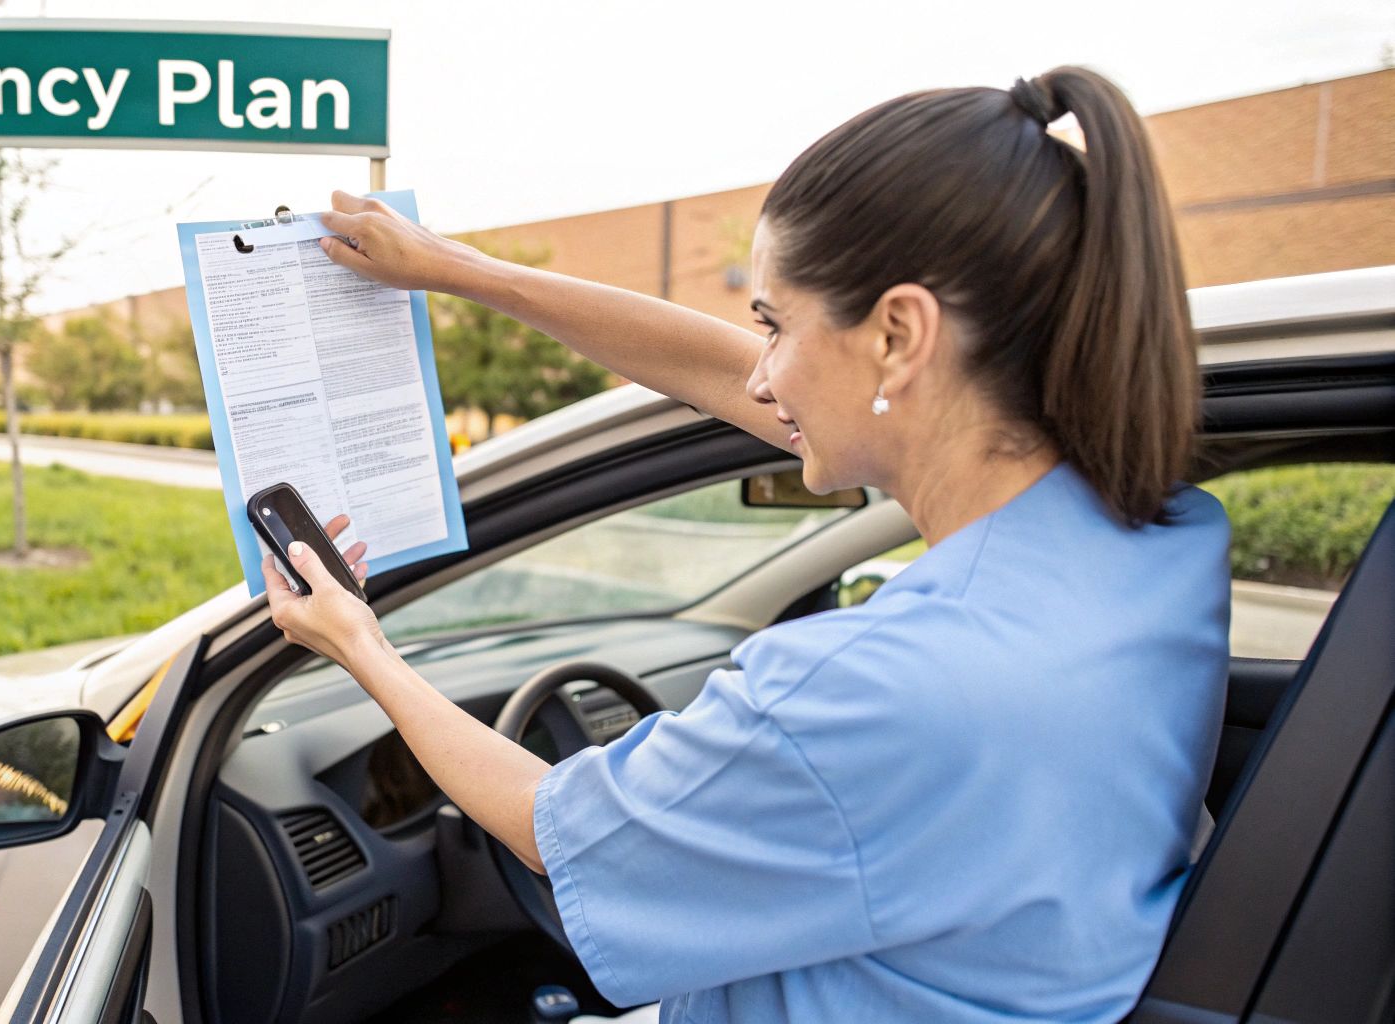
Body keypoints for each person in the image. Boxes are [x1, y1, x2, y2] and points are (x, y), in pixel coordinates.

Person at [261, 66, 1230, 1024]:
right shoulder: (1160, 541)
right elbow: (720, 375)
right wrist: (451, 269)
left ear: (898, 335)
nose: (761, 377)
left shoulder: (863, 690)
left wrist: (359, 645)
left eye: (773, 325)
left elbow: (549, 826)